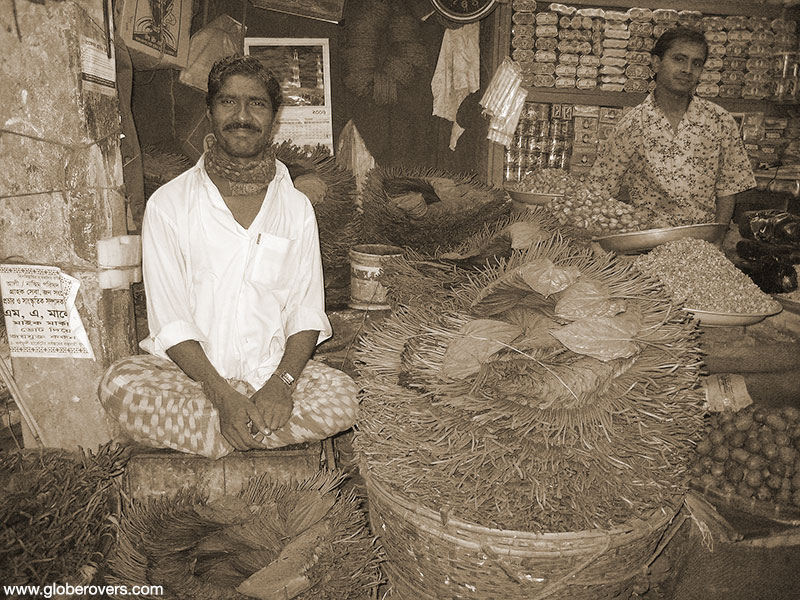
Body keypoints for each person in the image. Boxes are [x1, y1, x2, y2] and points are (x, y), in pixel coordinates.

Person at [99, 56, 359, 459]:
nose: (242, 116)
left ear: (273, 117)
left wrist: (281, 384)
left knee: (345, 397)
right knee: (118, 384)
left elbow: (306, 313)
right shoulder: (169, 205)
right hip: (194, 381)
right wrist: (222, 394)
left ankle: (224, 431)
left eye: (256, 103)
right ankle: (245, 426)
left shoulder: (295, 208)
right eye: (228, 102)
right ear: (210, 111)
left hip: (270, 376)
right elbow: (170, 321)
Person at [587, 27, 756, 229]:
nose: (687, 70)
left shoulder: (720, 121)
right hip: (648, 240)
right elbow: (600, 190)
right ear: (656, 63)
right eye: (679, 59)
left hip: (701, 240)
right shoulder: (631, 126)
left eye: (696, 63)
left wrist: (717, 238)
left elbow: (728, 189)